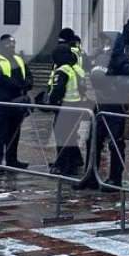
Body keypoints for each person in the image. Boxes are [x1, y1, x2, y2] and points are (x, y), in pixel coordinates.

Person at [77, 22, 129, 191]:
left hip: (118, 106)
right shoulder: (100, 59)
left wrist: (115, 80)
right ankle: (90, 175)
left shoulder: (127, 60)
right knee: (93, 142)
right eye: (103, 42)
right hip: (100, 106)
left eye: (108, 42)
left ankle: (115, 179)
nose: (104, 45)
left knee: (116, 144)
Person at [0, 33, 31, 169]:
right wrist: (18, 85)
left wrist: (27, 84)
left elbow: (27, 74)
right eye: (9, 45)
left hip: (18, 100)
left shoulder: (18, 58)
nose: (11, 47)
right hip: (2, 100)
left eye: (13, 45)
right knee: (1, 131)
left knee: (15, 131)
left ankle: (12, 159)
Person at [42, 43, 88, 174]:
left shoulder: (63, 71)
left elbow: (58, 90)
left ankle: (66, 166)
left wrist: (48, 102)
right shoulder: (78, 69)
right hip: (78, 105)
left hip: (65, 106)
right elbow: (83, 88)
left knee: (62, 137)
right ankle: (73, 161)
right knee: (72, 136)